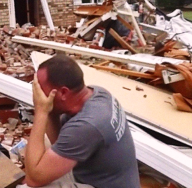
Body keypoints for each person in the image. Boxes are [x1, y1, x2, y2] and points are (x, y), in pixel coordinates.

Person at [25, 54, 140, 188]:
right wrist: (49, 111)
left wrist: (41, 110)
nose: (39, 95)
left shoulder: (87, 125)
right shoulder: (97, 93)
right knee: (41, 144)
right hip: (108, 179)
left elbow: (33, 180)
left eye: (41, 89)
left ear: (63, 93)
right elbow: (60, 142)